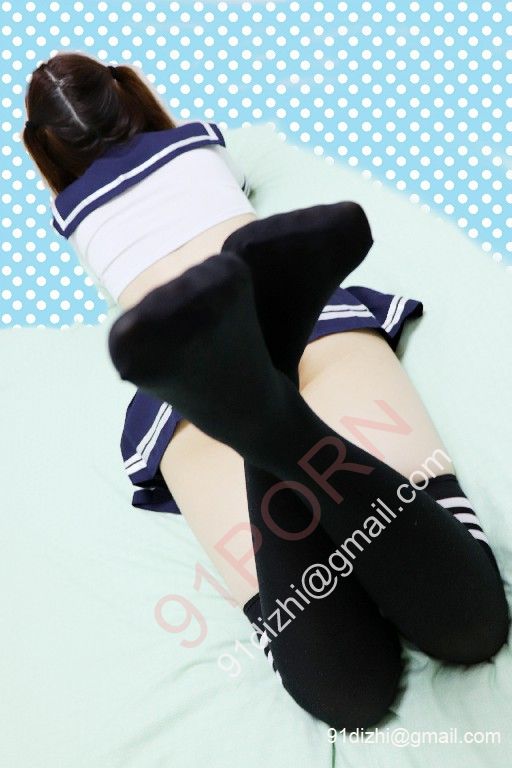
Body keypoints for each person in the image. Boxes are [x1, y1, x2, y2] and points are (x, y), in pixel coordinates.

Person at [23, 52, 510, 732]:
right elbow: (235, 181)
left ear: (45, 151)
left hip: (181, 379)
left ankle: (255, 408)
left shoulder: (70, 213)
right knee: (474, 628)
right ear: (127, 97)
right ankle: (269, 374)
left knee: (350, 698)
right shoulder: (198, 142)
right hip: (306, 316)